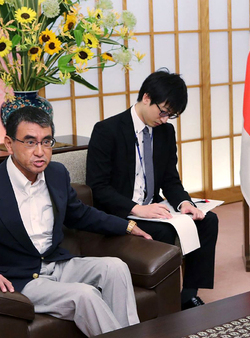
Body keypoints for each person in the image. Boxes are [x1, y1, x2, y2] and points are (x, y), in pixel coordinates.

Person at [0, 106, 152, 337]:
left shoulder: (57, 173)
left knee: (115, 267)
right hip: (21, 277)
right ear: (9, 144)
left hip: (58, 263)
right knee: (85, 295)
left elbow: (79, 214)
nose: (40, 151)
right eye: (30, 142)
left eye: (46, 142)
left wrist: (126, 225)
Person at [86, 68, 218, 310]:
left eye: (172, 115)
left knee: (207, 221)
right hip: (122, 210)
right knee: (164, 234)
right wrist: (137, 209)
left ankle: (188, 295)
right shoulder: (107, 131)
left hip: (155, 206)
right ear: (146, 97)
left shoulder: (165, 132)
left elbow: (170, 178)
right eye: (164, 112)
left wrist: (184, 203)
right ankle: (164, 302)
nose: (165, 119)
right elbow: (98, 188)